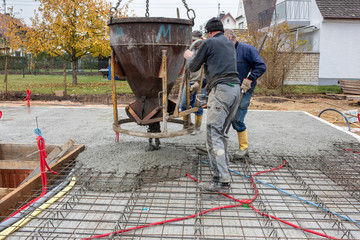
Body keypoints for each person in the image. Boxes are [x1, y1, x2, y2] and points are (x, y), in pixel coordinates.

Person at [184, 17, 241, 192]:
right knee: (221, 133)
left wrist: (189, 56)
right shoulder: (229, 43)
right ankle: (223, 172)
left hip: (222, 91)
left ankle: (221, 181)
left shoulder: (208, 43)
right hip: (235, 90)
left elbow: (193, 67)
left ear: (209, 32)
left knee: (212, 133)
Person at [224, 29, 266, 159]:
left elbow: (261, 66)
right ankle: (215, 146)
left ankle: (243, 149)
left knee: (237, 120)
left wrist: (250, 78)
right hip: (228, 89)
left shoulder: (248, 50)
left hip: (244, 89)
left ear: (230, 38)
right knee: (221, 118)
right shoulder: (225, 51)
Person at [180, 30, 205, 134]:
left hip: (199, 82)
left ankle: (197, 127)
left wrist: (200, 82)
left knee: (198, 105)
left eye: (195, 40)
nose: (193, 42)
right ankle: (186, 125)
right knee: (184, 105)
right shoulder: (189, 49)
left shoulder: (204, 50)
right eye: (192, 40)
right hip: (188, 80)